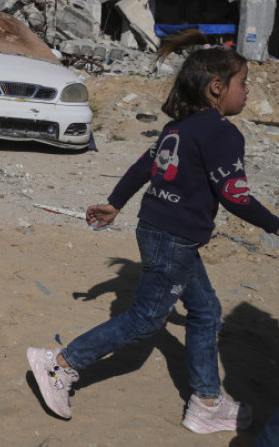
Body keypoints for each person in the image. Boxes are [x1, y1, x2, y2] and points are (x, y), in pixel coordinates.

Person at [27, 34, 279, 434]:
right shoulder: (222, 133)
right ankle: (60, 364)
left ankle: (207, 402)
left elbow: (143, 166)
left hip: (158, 230)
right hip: (175, 239)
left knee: (206, 311)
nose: (247, 91)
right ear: (217, 87)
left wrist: (115, 203)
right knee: (144, 322)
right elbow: (235, 196)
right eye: (243, 83)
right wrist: (275, 224)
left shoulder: (179, 128)